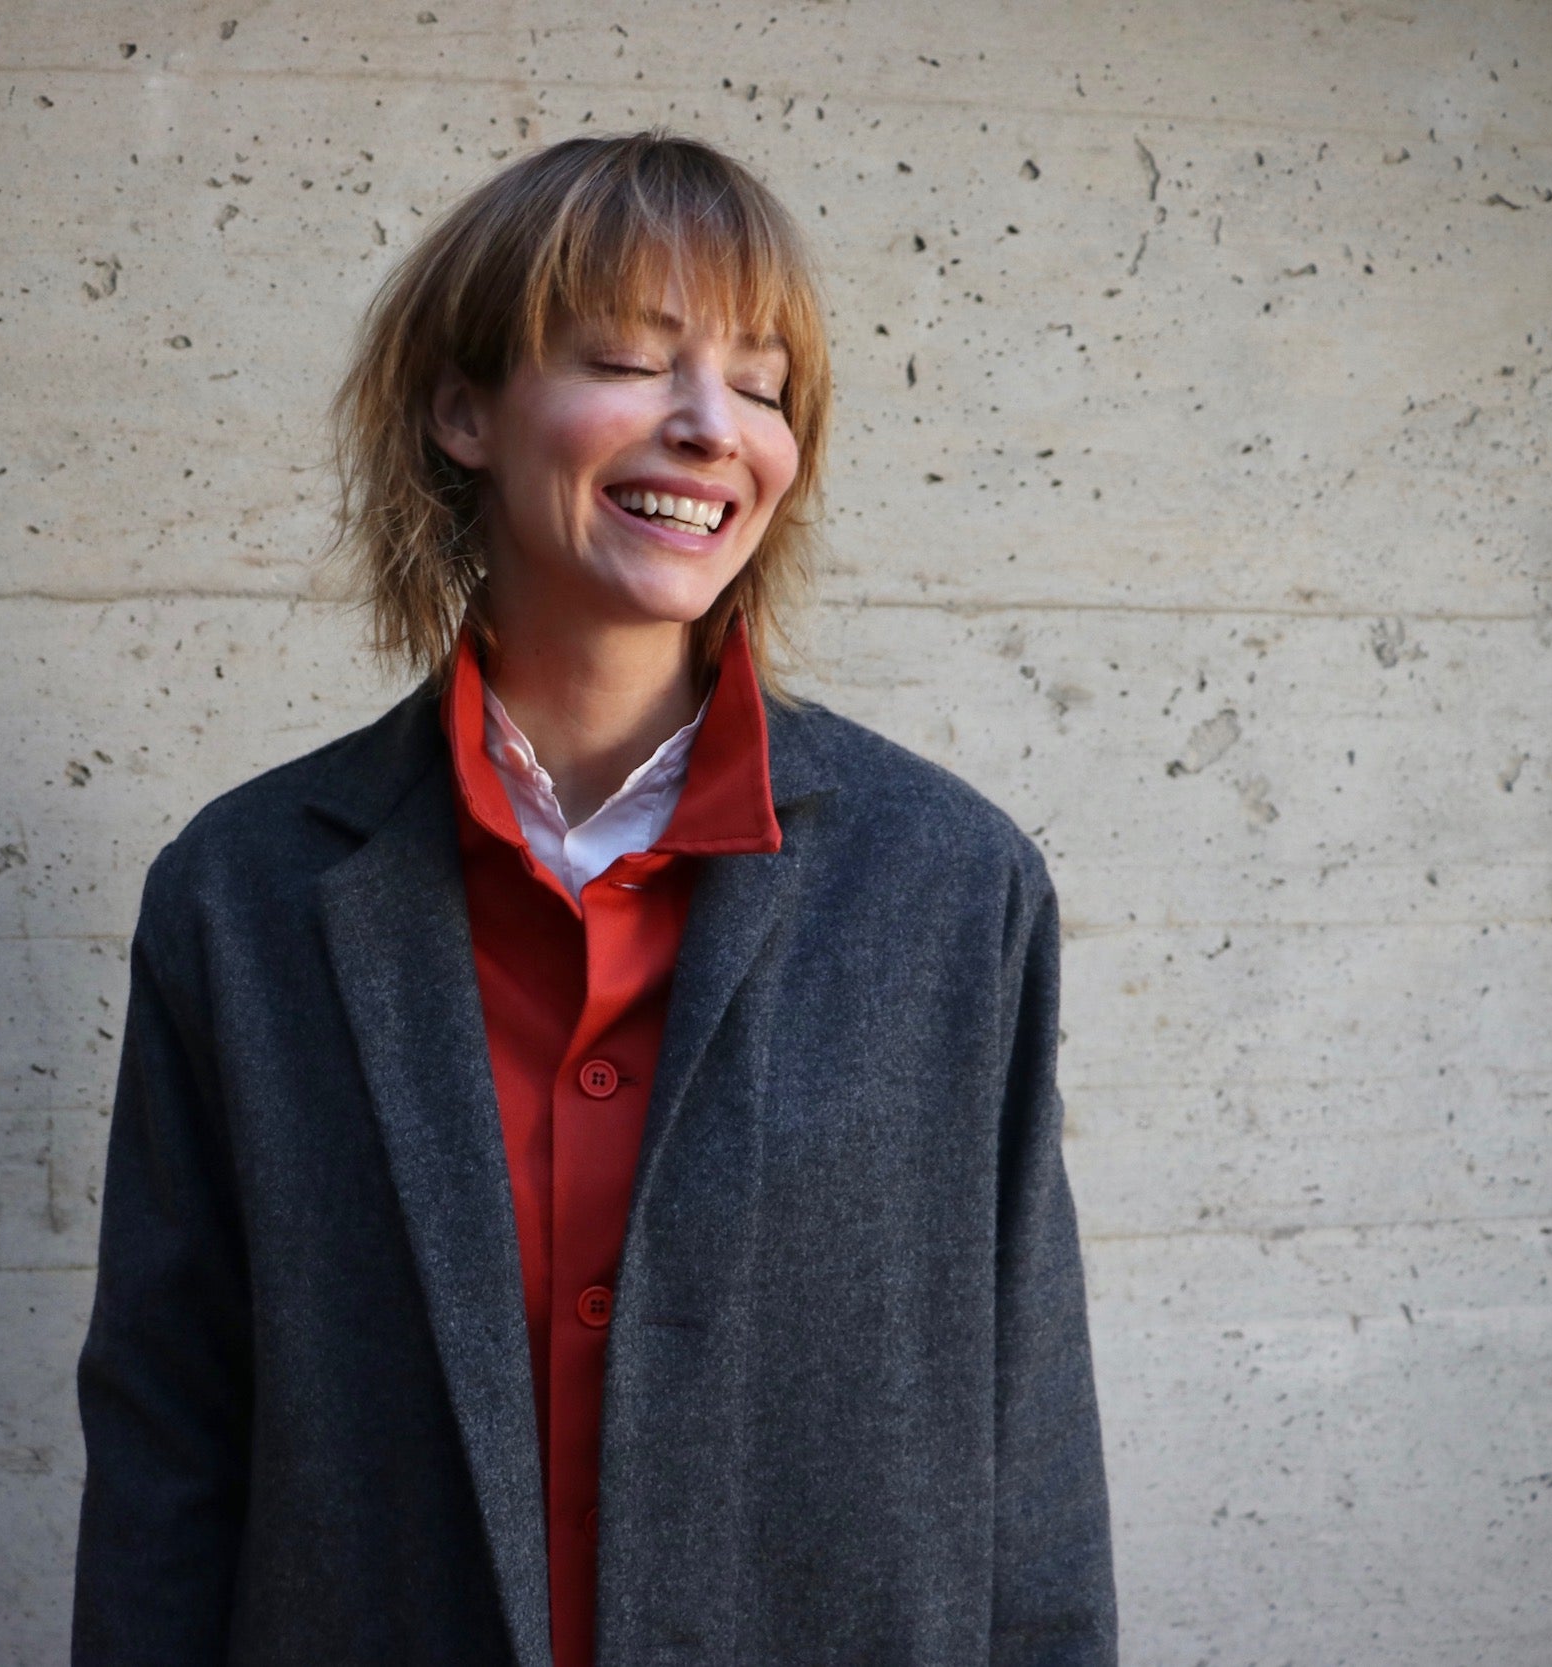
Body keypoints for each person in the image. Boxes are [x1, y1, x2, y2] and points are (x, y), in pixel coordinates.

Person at [72, 130, 1116, 1666]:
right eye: (633, 358)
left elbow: (1026, 1457)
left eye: (762, 386)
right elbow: (170, 1446)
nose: (712, 428)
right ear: (462, 409)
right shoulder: (246, 898)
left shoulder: (951, 891)